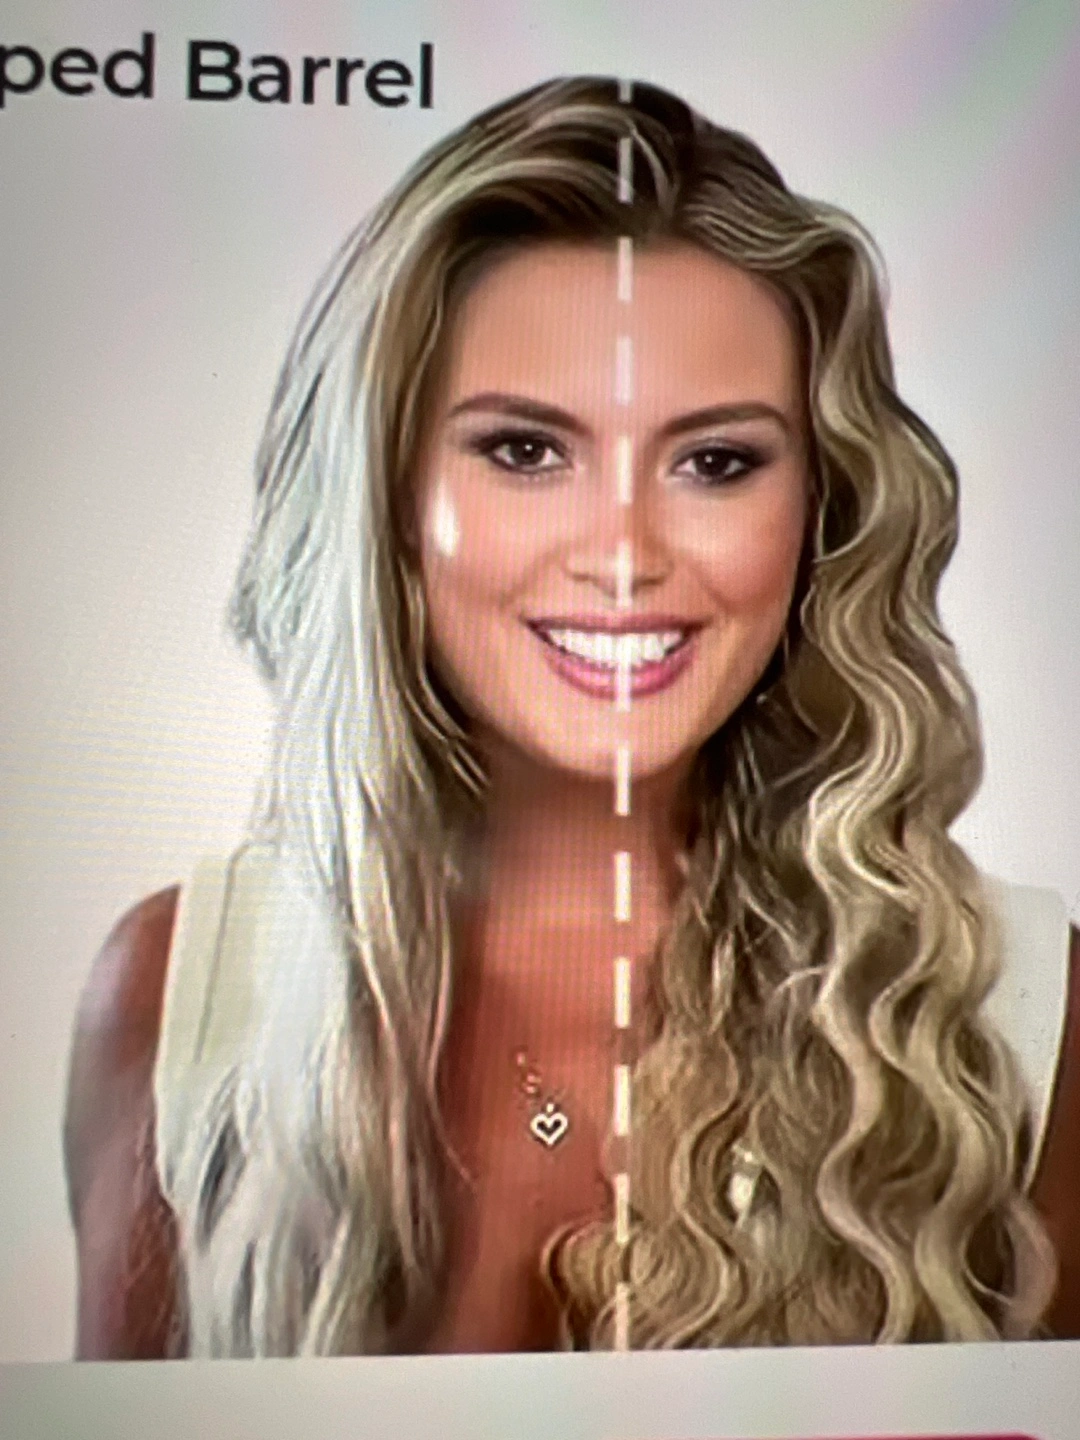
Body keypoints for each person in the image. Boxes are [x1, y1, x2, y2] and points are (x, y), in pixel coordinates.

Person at [64, 77, 1080, 1358]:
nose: (624, 554)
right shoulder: (187, 986)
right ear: (386, 495)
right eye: (525, 451)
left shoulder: (1003, 1007)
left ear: (820, 514)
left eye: (715, 462)